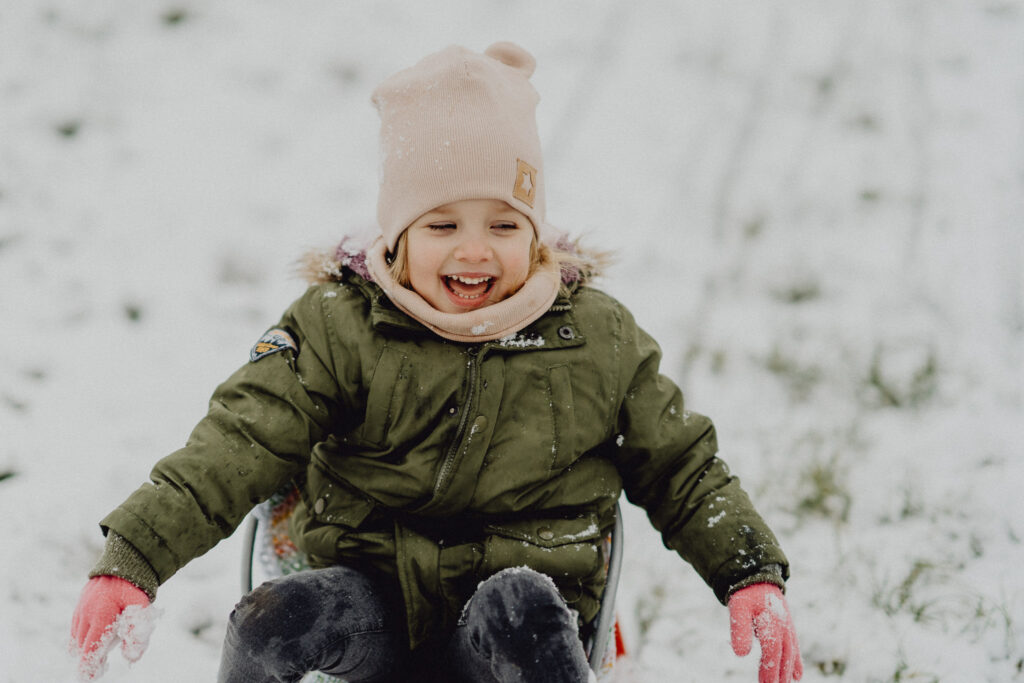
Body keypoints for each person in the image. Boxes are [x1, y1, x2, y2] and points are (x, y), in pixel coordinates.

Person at [71, 42, 802, 683]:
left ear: (537, 235)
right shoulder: (339, 327)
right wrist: (132, 557)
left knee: (524, 606)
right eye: (443, 223)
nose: (475, 249)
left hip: (515, 621)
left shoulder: (594, 338)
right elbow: (241, 438)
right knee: (274, 617)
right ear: (397, 236)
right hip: (370, 606)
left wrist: (749, 574)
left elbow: (681, 464)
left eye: (505, 224)